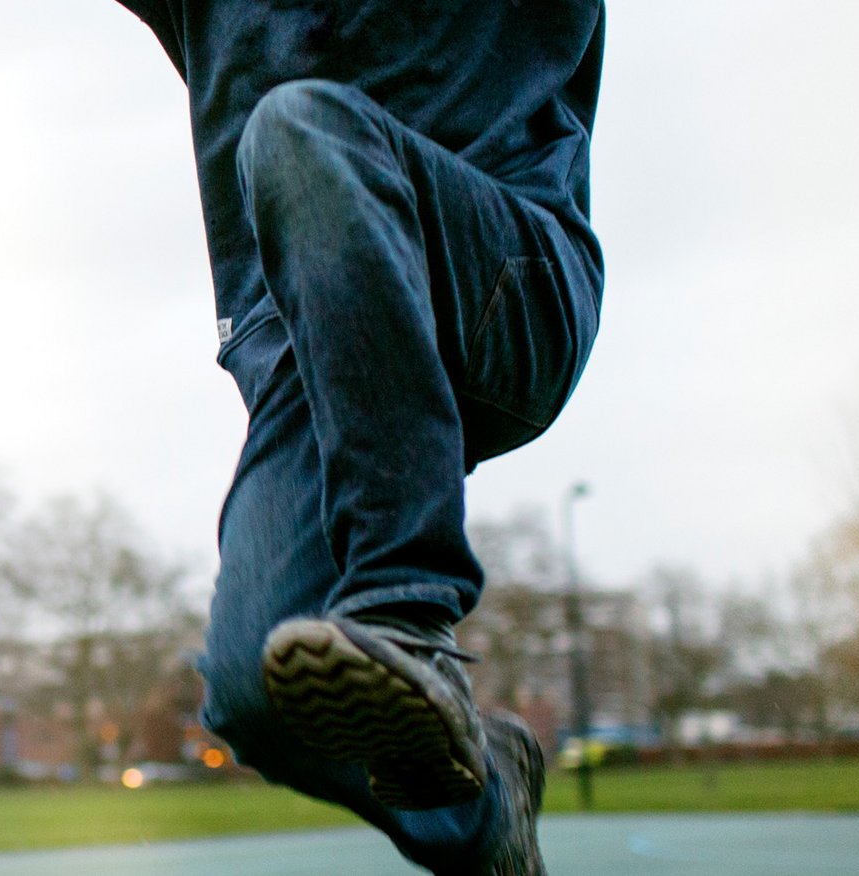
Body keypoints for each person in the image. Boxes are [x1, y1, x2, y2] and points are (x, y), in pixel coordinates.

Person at [105, 2, 607, 873]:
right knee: (254, 687)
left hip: (504, 279)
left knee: (301, 130)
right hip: (324, 345)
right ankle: (485, 809)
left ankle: (406, 610)